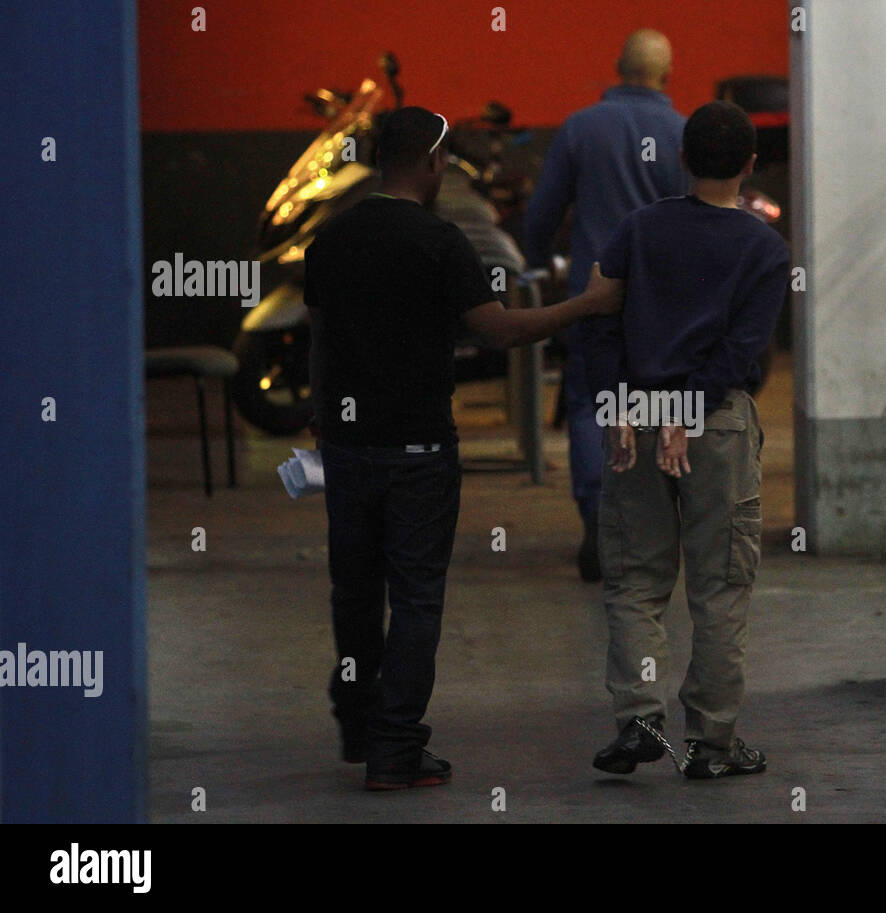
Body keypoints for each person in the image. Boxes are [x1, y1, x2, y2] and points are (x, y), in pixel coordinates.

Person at [305, 106, 623, 790]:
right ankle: (395, 746)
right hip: (418, 449)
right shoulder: (440, 242)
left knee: (355, 591)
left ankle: (358, 725)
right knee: (416, 598)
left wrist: (322, 421)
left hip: (349, 447)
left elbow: (320, 343)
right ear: (433, 161)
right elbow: (498, 332)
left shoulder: (330, 239)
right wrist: (586, 306)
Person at [586, 101, 790, 779]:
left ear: (680, 158)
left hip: (636, 425)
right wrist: (690, 406)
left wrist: (619, 401)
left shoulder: (638, 228)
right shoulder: (763, 247)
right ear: (750, 166)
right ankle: (711, 744)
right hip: (716, 429)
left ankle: (640, 718)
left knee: (635, 582)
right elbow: (742, 351)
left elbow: (600, 320)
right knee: (719, 587)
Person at [525, 28, 689, 582]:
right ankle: (653, 528)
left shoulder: (580, 128)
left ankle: (598, 523)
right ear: (668, 73)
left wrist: (536, 260)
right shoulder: (683, 132)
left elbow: (542, 213)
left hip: (593, 300)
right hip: (664, 307)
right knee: (663, 407)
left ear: (618, 67)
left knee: (591, 406)